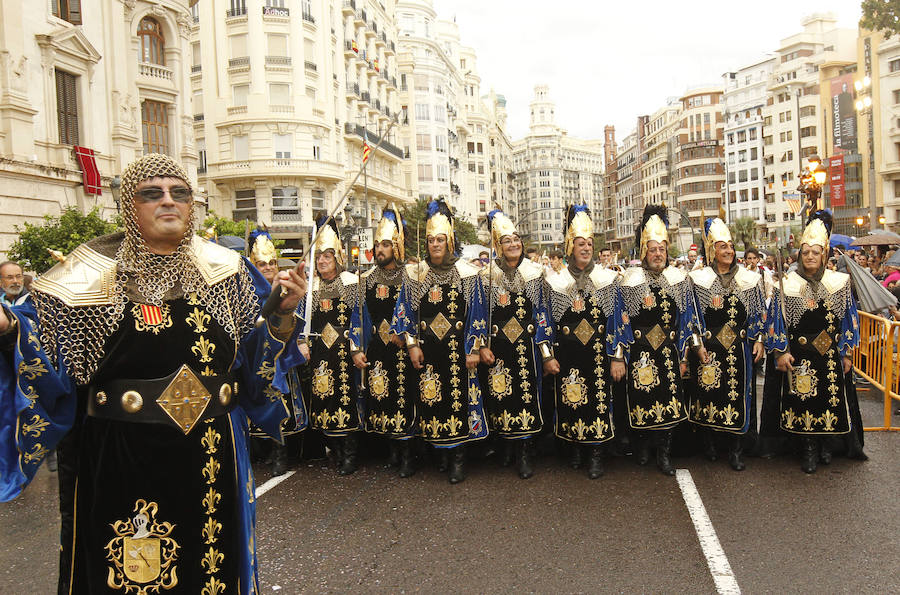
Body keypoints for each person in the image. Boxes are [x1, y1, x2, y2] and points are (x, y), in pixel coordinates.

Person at [0, 153, 306, 593]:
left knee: (211, 574)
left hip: (211, 457)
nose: (169, 202)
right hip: (124, 458)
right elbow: (47, 366)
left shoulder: (227, 272)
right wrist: (10, 331)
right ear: (130, 205)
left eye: (179, 193)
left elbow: (250, 365)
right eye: (152, 193)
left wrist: (282, 316)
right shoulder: (80, 281)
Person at [391, 199, 489, 483]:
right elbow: (404, 312)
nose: (435, 244)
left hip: (458, 351)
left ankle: (458, 457)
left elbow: (477, 314)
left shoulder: (468, 274)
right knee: (432, 400)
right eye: (431, 239)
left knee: (458, 402)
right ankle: (440, 455)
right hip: (428, 351)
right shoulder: (414, 274)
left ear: (450, 241)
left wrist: (473, 349)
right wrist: (411, 344)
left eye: (440, 239)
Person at [761, 210, 866, 472]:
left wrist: (847, 353)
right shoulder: (788, 284)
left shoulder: (840, 283)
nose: (810, 256)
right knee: (803, 400)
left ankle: (826, 445)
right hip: (801, 356)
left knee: (830, 400)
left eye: (815, 252)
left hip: (829, 356)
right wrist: (781, 352)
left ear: (825, 255)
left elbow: (849, 320)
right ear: (800, 254)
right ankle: (807, 447)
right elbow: (777, 322)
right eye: (806, 252)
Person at [611, 206, 705, 476]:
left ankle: (664, 453)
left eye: (662, 249)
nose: (658, 254)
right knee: (641, 401)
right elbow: (620, 322)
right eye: (652, 249)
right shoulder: (628, 282)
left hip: (669, 353)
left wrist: (686, 357)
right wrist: (619, 356)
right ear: (644, 252)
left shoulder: (679, 279)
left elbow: (688, 320)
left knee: (669, 404)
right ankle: (642, 447)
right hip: (640, 352)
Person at [544, 205, 622, 479]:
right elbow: (545, 322)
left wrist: (617, 356)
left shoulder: (608, 279)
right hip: (567, 353)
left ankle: (596, 453)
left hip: (599, 354)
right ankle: (575, 447)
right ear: (570, 246)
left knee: (598, 403)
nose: (586, 248)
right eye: (580, 243)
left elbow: (617, 322)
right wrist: (547, 355)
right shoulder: (555, 281)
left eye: (589, 243)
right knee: (570, 400)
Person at [478, 209, 551, 479]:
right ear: (498, 245)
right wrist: (482, 345)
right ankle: (505, 447)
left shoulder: (535, 273)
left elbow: (543, 313)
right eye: (507, 240)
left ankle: (524, 451)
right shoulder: (484, 276)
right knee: (500, 396)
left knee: (527, 397)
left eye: (517, 239)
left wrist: (545, 352)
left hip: (527, 348)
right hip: (498, 348)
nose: (514, 244)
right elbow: (479, 313)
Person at [687, 219, 766, 471]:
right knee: (709, 394)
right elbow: (692, 316)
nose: (729, 251)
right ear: (712, 250)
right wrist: (697, 345)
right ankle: (709, 444)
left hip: (739, 350)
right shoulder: (697, 279)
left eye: (731, 246)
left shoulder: (750, 279)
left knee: (737, 397)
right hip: (709, 349)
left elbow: (758, 314)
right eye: (722, 247)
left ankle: (736, 449)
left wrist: (760, 341)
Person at [350, 205, 416, 477]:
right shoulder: (364, 280)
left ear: (397, 247)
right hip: (378, 348)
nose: (380, 249)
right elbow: (358, 317)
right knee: (382, 396)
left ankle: (409, 453)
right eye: (377, 245)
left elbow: (414, 309)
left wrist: (410, 338)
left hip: (403, 347)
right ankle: (391, 449)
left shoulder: (411, 276)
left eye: (386, 244)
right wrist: (356, 349)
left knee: (405, 396)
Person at [246, 229, 308, 477]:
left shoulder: (287, 286)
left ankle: (280, 453)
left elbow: (300, 317)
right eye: (262, 263)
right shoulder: (245, 290)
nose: (268, 267)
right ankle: (260, 451)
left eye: (272, 262)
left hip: (282, 356)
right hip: (255, 358)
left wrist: (301, 340)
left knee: (282, 403)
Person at [306, 215, 362, 475]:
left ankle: (350, 452)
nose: (322, 261)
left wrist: (356, 346)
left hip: (344, 352)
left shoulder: (351, 282)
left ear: (337, 258)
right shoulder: (311, 288)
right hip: (320, 353)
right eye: (318, 256)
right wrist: (301, 342)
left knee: (345, 399)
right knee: (324, 398)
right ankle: (335, 449)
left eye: (327, 256)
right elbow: (301, 320)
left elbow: (360, 317)